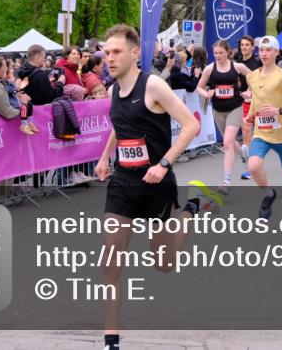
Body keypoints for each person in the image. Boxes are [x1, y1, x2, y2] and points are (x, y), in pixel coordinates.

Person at [93, 24, 202, 350]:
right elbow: (120, 126)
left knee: (164, 264)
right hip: (124, 182)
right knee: (110, 261)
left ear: (135, 53)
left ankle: (190, 213)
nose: (109, 59)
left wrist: (164, 163)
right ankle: (111, 340)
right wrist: (104, 157)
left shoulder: (153, 85)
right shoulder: (112, 90)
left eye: (116, 52)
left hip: (157, 183)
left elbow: (191, 125)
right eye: (106, 52)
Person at [241, 35, 282, 223]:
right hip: (261, 132)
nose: (264, 53)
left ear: (276, 52)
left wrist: (279, 110)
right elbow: (256, 97)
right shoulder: (252, 76)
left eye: (268, 50)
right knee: (253, 166)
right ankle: (269, 193)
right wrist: (251, 114)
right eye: (261, 50)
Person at [196, 40, 253, 196]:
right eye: (215, 53)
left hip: (235, 107)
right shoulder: (209, 69)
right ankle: (242, 153)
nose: (218, 56)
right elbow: (198, 88)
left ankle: (226, 181)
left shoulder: (237, 67)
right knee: (229, 142)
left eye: (221, 53)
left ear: (228, 52)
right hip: (218, 110)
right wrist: (206, 94)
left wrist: (250, 92)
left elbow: (255, 78)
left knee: (227, 142)